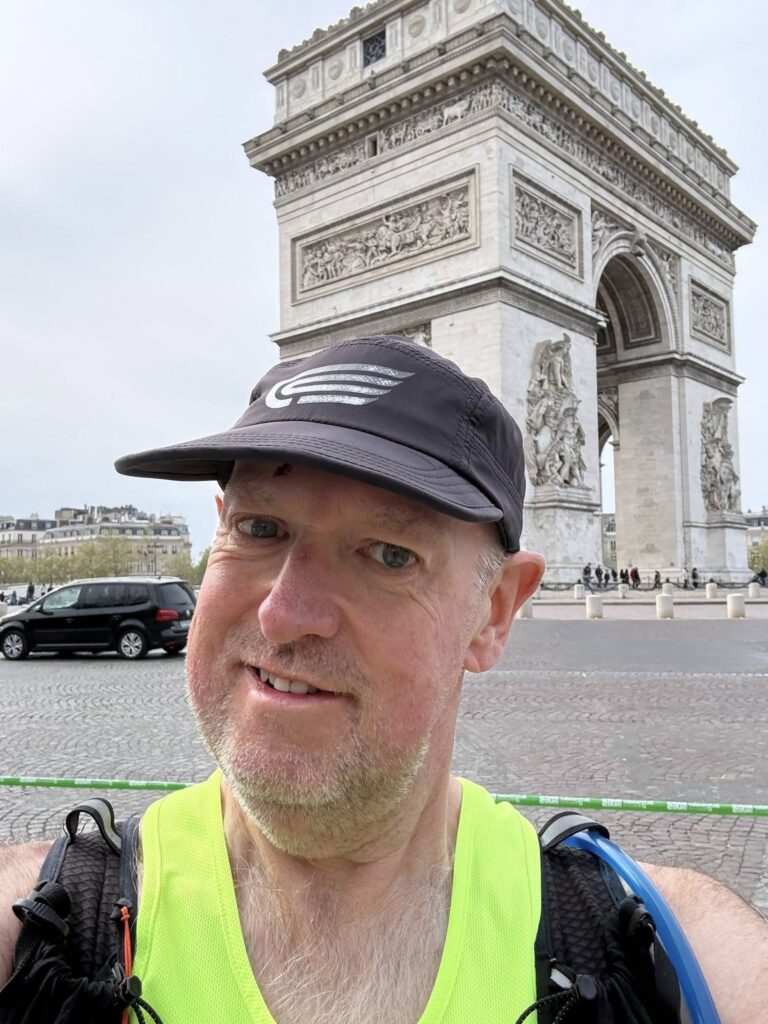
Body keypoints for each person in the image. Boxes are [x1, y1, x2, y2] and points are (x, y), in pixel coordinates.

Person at [1, 336, 766, 1023]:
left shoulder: (683, 954)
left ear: (495, 611)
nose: (284, 615)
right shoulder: (28, 925)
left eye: (390, 554)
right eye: (260, 528)